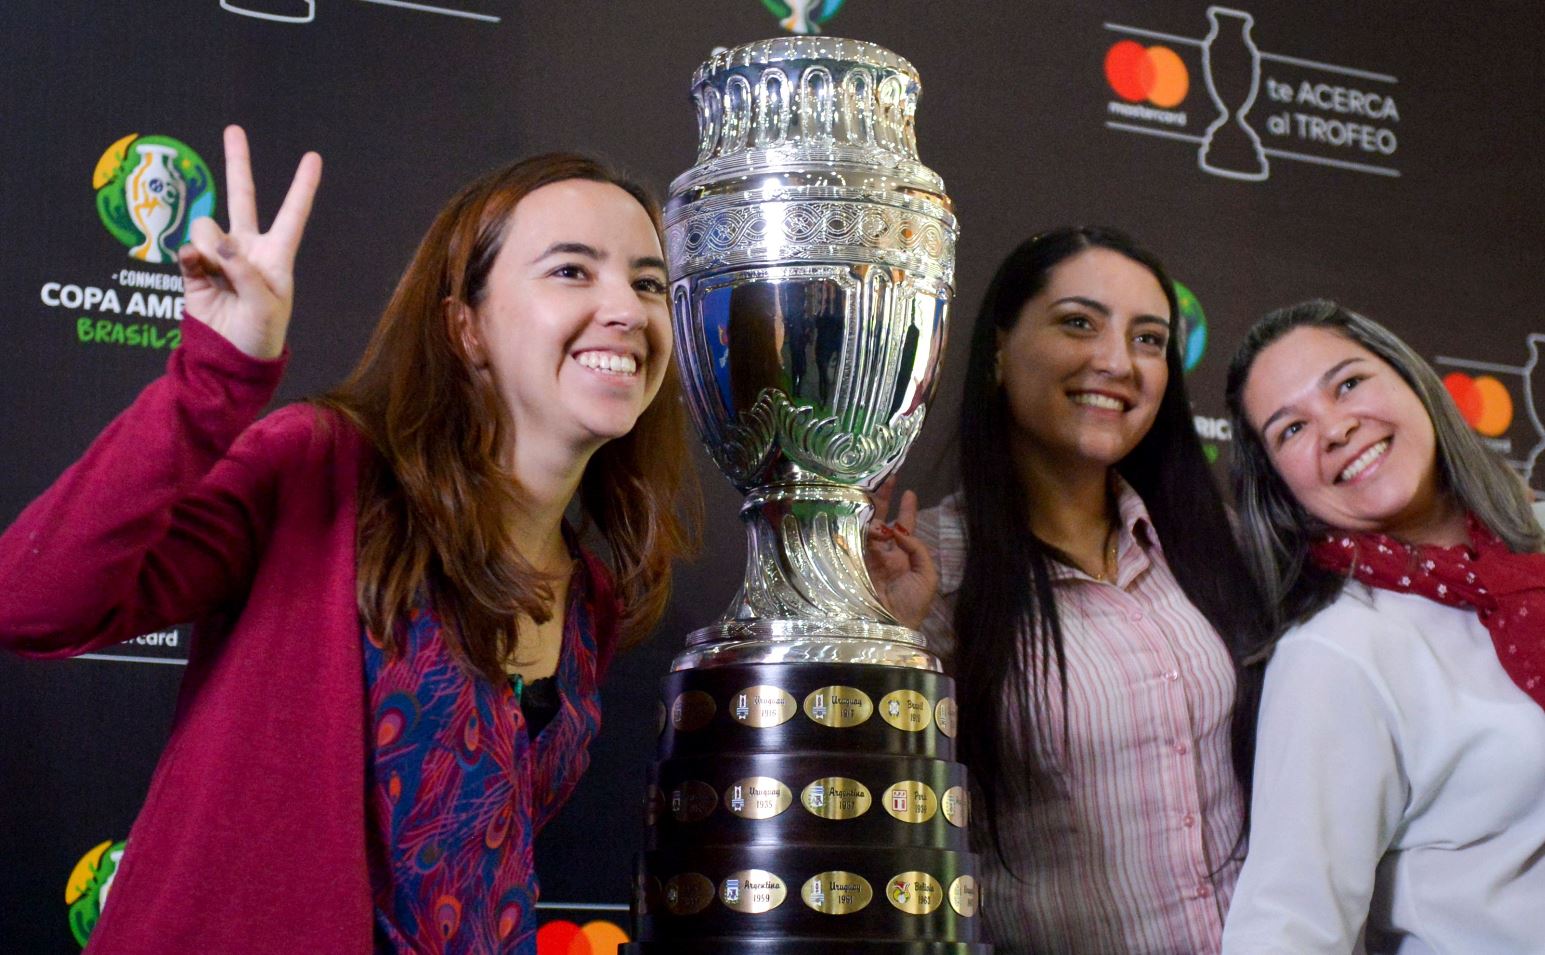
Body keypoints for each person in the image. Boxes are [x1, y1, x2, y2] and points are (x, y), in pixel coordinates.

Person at [0, 126, 698, 954]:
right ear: (465, 328)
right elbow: (30, 602)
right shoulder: (324, 470)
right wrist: (214, 376)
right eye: (572, 270)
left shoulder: (593, 598)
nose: (624, 308)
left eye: (649, 283)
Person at [866, 227, 1267, 954]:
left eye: (1148, 339)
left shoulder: (1216, 543)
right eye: (1078, 322)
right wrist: (886, 633)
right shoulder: (922, 568)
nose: (1116, 361)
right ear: (997, 347)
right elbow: (884, 838)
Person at [1220, 300, 1545, 953]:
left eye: (1347, 384)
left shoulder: (1534, 544)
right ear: (1278, 484)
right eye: (1290, 429)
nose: (1336, 427)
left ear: (1409, 379)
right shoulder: (1331, 653)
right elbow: (1285, 928)